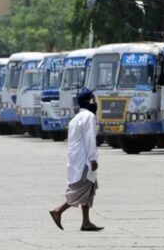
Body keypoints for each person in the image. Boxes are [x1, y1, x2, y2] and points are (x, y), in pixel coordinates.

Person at [49, 88, 104, 231]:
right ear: (87, 101)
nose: (95, 102)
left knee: (89, 189)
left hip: (76, 160)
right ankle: (58, 211)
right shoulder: (89, 117)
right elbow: (90, 139)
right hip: (84, 160)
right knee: (81, 190)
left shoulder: (76, 118)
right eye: (92, 99)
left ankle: (86, 222)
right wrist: (93, 159)